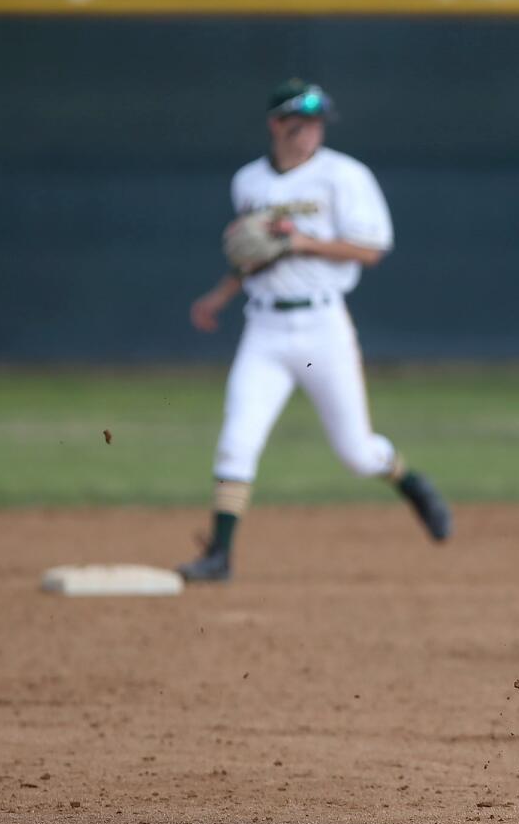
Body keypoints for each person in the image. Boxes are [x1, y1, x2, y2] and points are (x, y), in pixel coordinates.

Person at [177, 79, 451, 583]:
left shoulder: (343, 176)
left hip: (322, 327)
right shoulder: (249, 182)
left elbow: (371, 250)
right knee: (238, 439)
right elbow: (255, 258)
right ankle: (219, 555)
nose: (311, 133)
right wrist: (219, 295)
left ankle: (409, 482)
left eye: (318, 123)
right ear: (277, 125)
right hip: (264, 327)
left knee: (356, 452)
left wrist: (301, 240)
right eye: (301, 124)